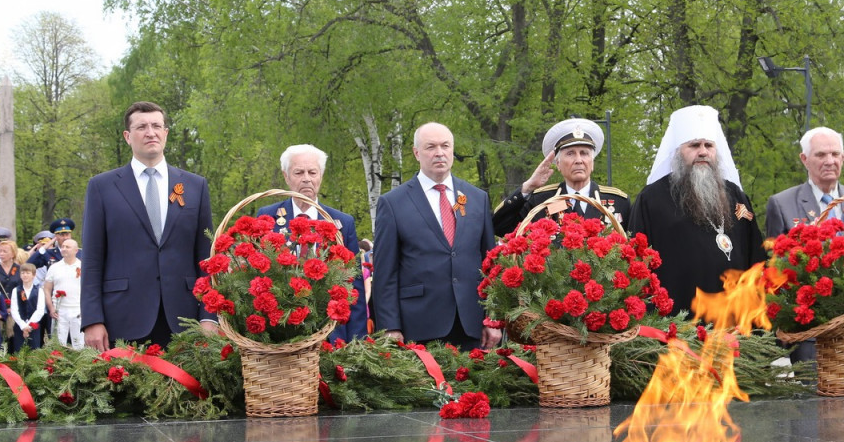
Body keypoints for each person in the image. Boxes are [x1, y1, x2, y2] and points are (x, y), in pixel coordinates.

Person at [81, 101, 217, 350]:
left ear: (166, 133)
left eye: (156, 125)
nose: (150, 132)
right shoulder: (102, 187)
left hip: (184, 320)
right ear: (127, 136)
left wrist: (209, 315)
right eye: (141, 126)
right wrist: (92, 320)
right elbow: (91, 259)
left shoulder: (196, 186)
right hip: (122, 319)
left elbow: (206, 257)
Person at [372, 122, 501, 349]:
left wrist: (493, 317)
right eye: (431, 147)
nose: (439, 153)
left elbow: (490, 264)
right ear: (416, 153)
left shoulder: (477, 198)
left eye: (445, 146)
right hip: (418, 325)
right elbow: (385, 272)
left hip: (471, 323)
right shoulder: (393, 203)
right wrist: (390, 326)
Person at [628, 105, 764, 314]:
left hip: (735, 325)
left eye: (709, 145)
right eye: (694, 145)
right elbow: (637, 267)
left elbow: (756, 256)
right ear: (677, 151)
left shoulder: (735, 195)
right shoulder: (652, 199)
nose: (703, 152)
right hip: (678, 325)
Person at [255, 144, 367, 343]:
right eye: (298, 172)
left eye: (312, 172)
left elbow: (354, 287)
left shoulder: (342, 223)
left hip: (332, 334)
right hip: (281, 333)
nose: (306, 178)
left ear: (320, 176)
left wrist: (357, 343)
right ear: (286, 176)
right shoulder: (268, 217)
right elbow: (256, 278)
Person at [492, 119, 630, 236]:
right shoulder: (541, 201)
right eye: (570, 154)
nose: (578, 160)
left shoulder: (618, 202)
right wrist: (528, 187)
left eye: (584, 153)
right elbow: (500, 227)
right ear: (557, 163)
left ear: (592, 162)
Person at [765, 126, 844, 237]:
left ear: (842, 158)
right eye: (821, 155)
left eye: (835, 154)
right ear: (805, 159)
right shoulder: (782, 205)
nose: (829, 161)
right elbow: (775, 253)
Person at [44, 237, 85, 349]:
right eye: (62, 246)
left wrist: (85, 308)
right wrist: (51, 308)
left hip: (78, 309)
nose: (64, 249)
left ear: (76, 250)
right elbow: (47, 289)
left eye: (68, 247)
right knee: (58, 344)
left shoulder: (83, 266)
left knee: (79, 344)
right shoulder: (54, 267)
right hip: (59, 310)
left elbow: (88, 289)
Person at [9, 263, 45, 351]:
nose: (25, 275)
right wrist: (23, 326)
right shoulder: (16, 290)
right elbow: (14, 310)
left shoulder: (39, 291)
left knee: (34, 351)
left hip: (34, 326)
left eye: (28, 273)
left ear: (33, 275)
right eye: (23, 273)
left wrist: (29, 325)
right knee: (19, 351)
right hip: (19, 326)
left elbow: (40, 310)